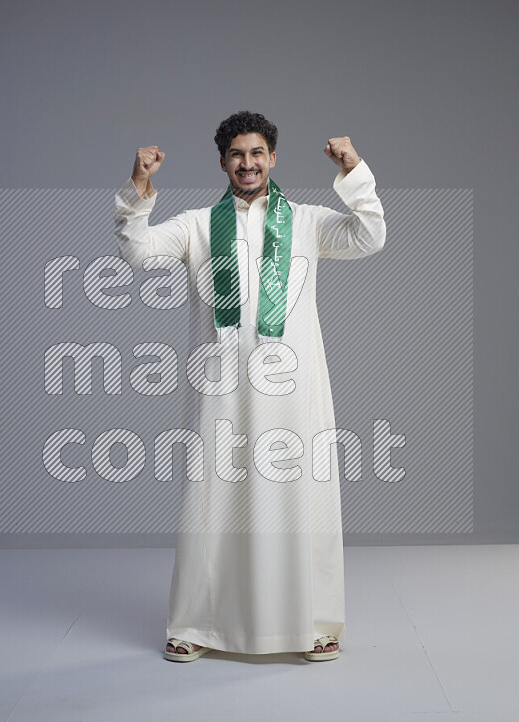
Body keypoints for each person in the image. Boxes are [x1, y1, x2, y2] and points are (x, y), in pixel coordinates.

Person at [113, 110, 386, 662]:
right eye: (237, 154)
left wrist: (353, 168)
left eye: (257, 153)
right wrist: (140, 185)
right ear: (223, 162)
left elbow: (370, 235)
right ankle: (196, 625)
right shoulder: (195, 225)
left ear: (273, 159)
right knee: (212, 500)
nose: (248, 163)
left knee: (300, 497)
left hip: (294, 387)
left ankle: (313, 623)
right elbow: (136, 250)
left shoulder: (307, 221)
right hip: (221, 390)